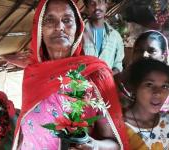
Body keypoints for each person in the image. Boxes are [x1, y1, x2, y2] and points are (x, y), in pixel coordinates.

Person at [12, 0, 129, 149]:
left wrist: (94, 146)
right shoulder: (33, 73)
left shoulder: (96, 75)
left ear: (78, 28)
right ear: (39, 28)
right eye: (50, 20)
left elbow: (115, 144)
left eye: (67, 20)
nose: (59, 27)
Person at [115, 30, 169, 108]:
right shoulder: (117, 83)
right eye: (139, 50)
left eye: (152, 51)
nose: (144, 55)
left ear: (163, 56)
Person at [123, 58, 169, 149]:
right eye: (149, 84)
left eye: (164, 86)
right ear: (134, 87)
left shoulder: (167, 121)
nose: (158, 93)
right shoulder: (118, 126)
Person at [82, 0, 124, 75]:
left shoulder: (115, 36)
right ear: (87, 7)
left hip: (105, 85)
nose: (97, 7)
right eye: (92, 3)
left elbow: (118, 65)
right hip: (82, 84)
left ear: (106, 5)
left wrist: (108, 75)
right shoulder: (80, 33)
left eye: (100, 2)